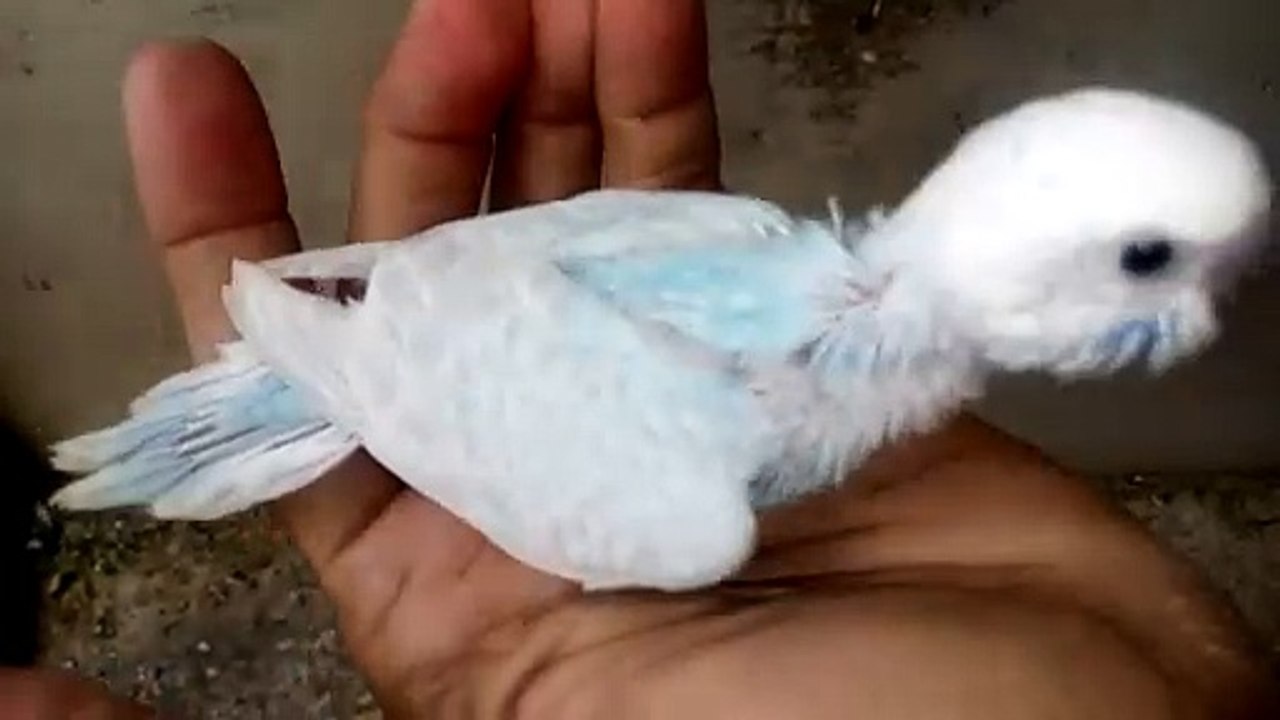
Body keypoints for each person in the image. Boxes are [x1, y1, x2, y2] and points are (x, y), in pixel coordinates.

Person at [3, 1, 1276, 717]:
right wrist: (332, 336)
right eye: (1159, 264)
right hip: (397, 361)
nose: (1203, 308)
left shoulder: (747, 242)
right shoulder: (689, 513)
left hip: (458, 327)